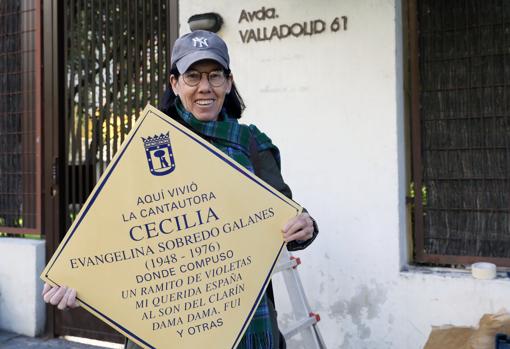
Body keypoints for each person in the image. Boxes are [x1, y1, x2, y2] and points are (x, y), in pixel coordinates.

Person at [43, 30, 318, 349]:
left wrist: (306, 227)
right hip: (165, 322)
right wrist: (84, 284)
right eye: (193, 76)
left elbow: (287, 214)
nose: (205, 87)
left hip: (246, 321)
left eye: (215, 76)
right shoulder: (143, 149)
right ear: (174, 84)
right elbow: (120, 234)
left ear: (228, 83)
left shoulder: (253, 144)